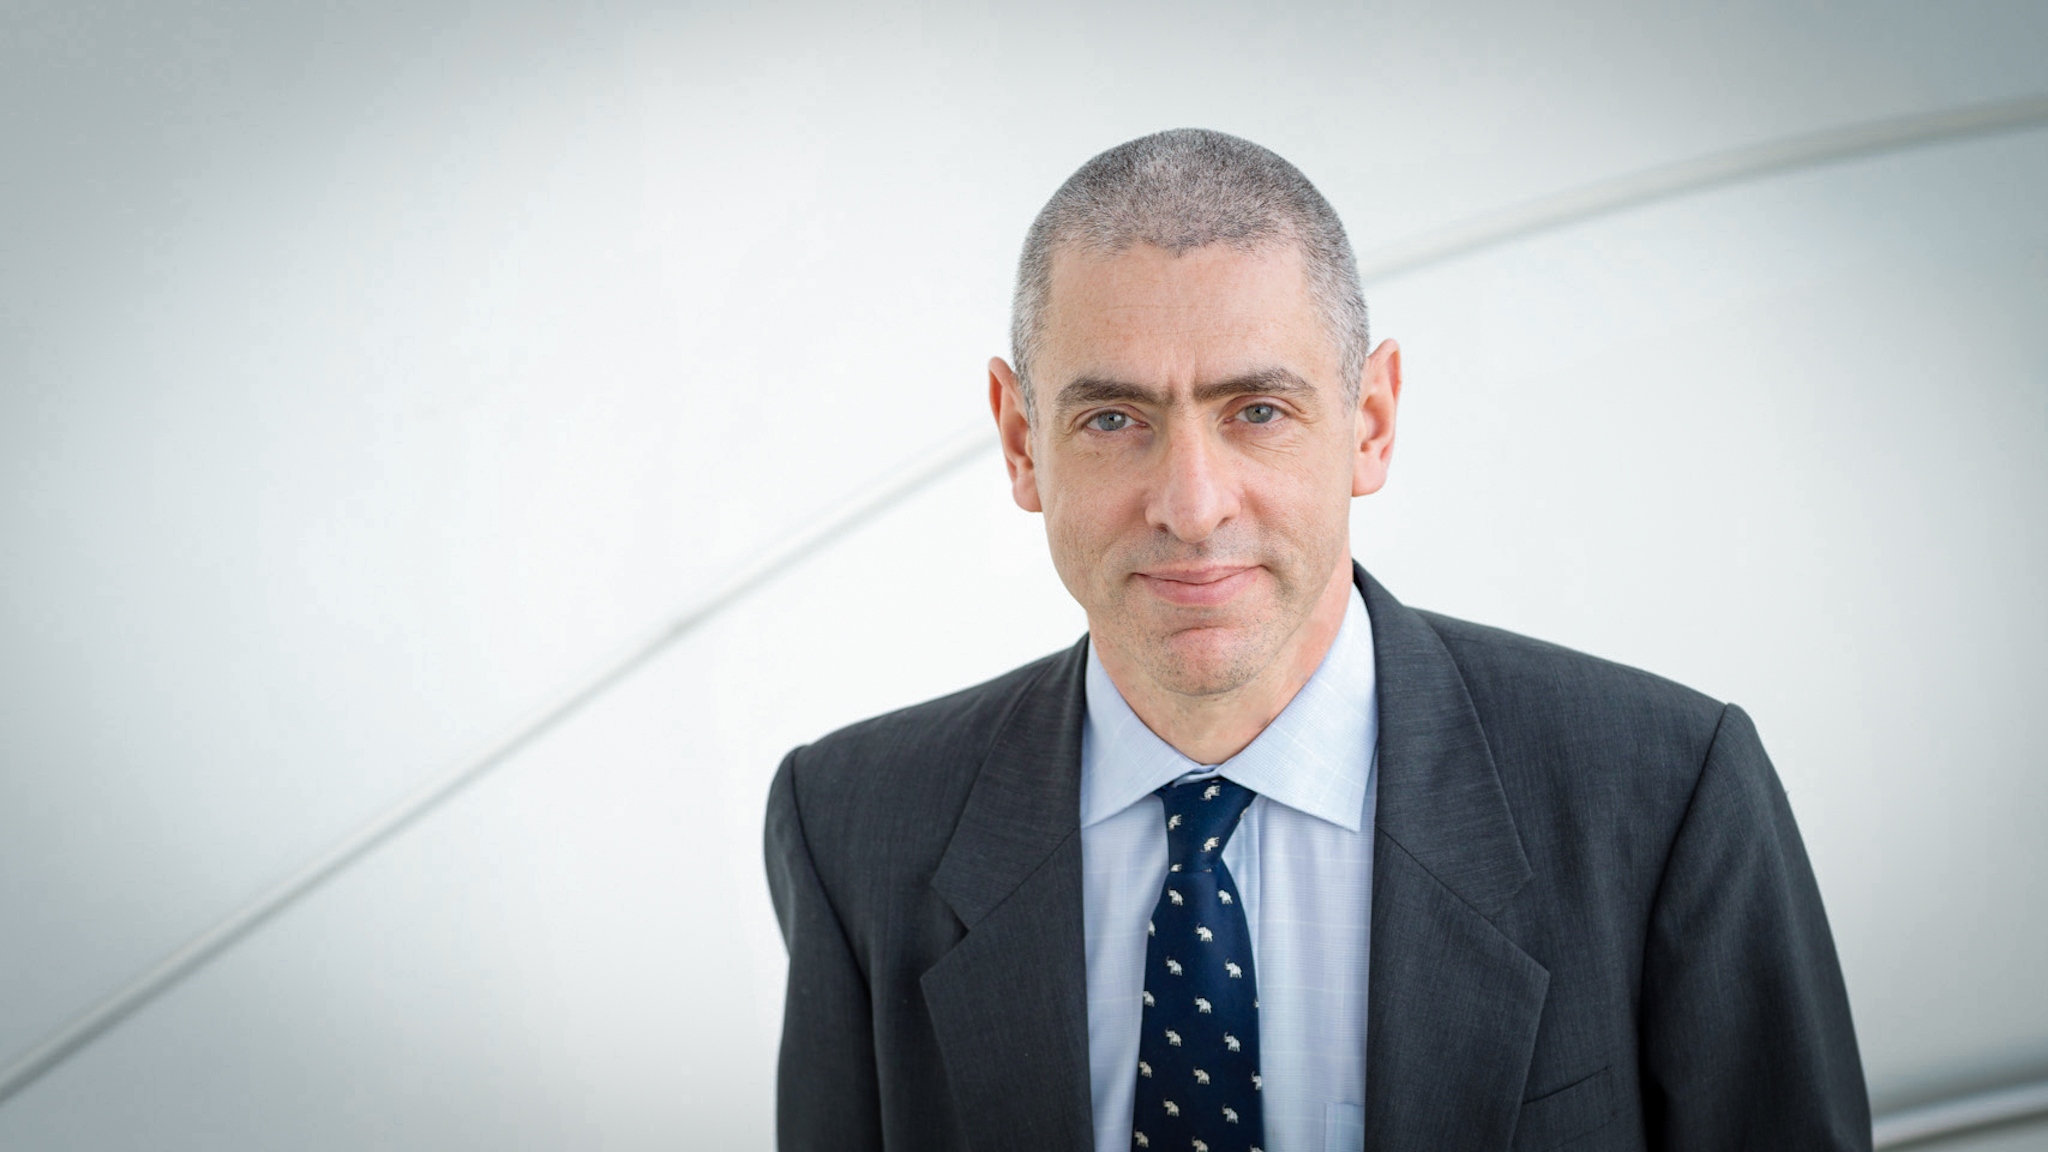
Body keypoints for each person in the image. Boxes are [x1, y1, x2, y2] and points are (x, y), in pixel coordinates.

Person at [763, 128, 1870, 1152]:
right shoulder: (853, 826)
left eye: (1256, 411)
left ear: (1370, 422)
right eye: (1112, 419)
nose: (1192, 505)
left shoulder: (1663, 795)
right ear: (1020, 442)